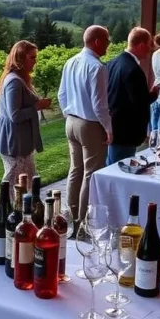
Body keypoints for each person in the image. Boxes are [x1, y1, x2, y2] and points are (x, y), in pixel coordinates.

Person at [58, 25, 112, 222]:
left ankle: (71, 217)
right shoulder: (97, 67)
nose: (108, 44)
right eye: (107, 40)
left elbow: (61, 94)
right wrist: (108, 127)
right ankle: (82, 221)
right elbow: (100, 105)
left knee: (75, 170)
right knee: (91, 173)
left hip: (71, 122)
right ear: (97, 41)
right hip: (90, 125)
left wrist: (68, 114)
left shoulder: (70, 61)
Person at [0, 41, 50, 187]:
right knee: (15, 178)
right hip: (14, 140)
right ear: (20, 58)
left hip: (19, 138)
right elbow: (14, 115)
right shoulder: (14, 82)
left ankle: (25, 206)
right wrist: (37, 106)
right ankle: (7, 207)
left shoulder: (19, 78)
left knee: (27, 177)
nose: (36, 61)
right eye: (32, 57)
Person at [107, 28, 158, 165]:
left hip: (113, 123)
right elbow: (139, 103)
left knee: (110, 164)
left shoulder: (112, 63)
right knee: (120, 167)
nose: (150, 49)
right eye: (149, 45)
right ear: (141, 45)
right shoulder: (133, 69)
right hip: (126, 130)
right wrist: (153, 94)